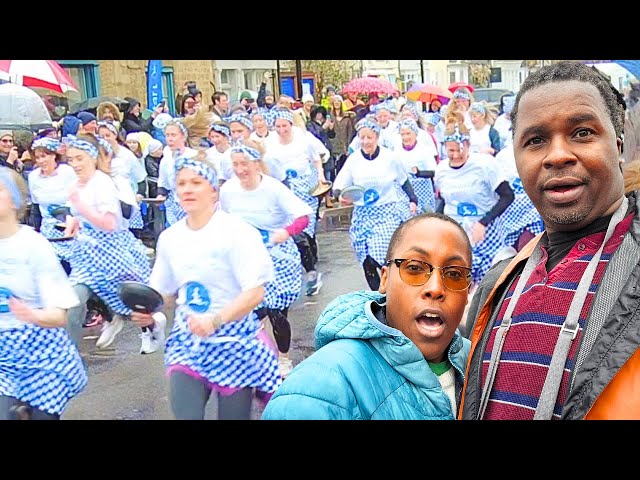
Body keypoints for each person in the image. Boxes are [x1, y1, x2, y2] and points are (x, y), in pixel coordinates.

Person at [460, 60, 640, 420]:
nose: (557, 155)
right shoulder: (496, 285)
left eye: (582, 133)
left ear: (617, 143)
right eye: (536, 140)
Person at [262, 212, 472, 419]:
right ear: (384, 280)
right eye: (414, 268)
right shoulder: (320, 389)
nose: (435, 288)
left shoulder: (485, 362)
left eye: (454, 274)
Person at [130, 153, 281, 420]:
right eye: (182, 183)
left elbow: (256, 292)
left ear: (213, 191)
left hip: (233, 341)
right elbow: (163, 292)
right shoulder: (170, 238)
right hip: (188, 342)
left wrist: (216, 320)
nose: (187, 189)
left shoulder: (237, 232)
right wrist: (147, 311)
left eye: (196, 183)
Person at [0, 166, 87, 420]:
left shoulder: (33, 245)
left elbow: (59, 316)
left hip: (42, 354)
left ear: (16, 200)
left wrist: (31, 315)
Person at [220, 143, 312, 378]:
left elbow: (302, 216)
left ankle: (283, 358)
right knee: (248, 310)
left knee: (276, 312)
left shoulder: (273, 188)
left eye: (245, 164)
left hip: (278, 255)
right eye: (236, 165)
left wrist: (286, 232)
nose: (240, 170)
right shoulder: (229, 190)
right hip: (246, 256)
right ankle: (252, 355)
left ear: (257, 164)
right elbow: (224, 222)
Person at [333, 118, 418, 291]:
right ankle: (378, 299)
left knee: (381, 254)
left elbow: (403, 180)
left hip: (386, 212)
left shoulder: (390, 157)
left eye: (369, 137)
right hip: (363, 213)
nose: (365, 142)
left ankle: (395, 289)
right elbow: (339, 185)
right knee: (365, 257)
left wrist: (413, 199)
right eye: (361, 138)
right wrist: (341, 196)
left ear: (377, 137)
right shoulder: (354, 160)